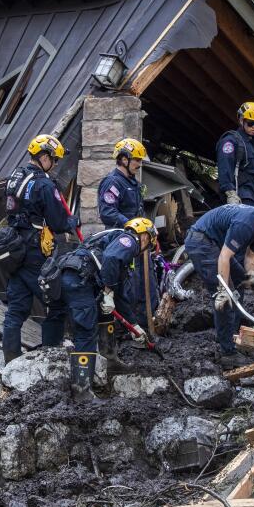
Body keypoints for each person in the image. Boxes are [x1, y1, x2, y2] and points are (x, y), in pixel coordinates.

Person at [183, 195, 254, 366]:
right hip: (201, 241)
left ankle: (235, 333)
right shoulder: (245, 224)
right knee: (226, 296)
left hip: (217, 244)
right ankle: (227, 352)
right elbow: (224, 258)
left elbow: (252, 254)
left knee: (240, 280)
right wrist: (222, 289)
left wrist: (251, 272)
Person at [56, 218, 156, 400]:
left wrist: (134, 326)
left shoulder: (115, 240)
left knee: (105, 314)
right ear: (144, 235)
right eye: (149, 242)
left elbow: (120, 295)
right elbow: (111, 259)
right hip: (78, 281)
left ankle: (111, 362)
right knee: (86, 332)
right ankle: (81, 391)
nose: (145, 248)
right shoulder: (130, 240)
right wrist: (108, 291)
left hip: (79, 278)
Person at [0, 134, 79, 364]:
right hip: (34, 250)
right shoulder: (44, 184)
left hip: (14, 247)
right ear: (44, 157)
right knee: (56, 302)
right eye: (53, 160)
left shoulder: (15, 176)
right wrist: (71, 222)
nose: (55, 165)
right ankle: (50, 357)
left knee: (16, 307)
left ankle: (11, 359)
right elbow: (57, 222)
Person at [97, 138, 159, 328]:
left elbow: (140, 212)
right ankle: (129, 329)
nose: (139, 165)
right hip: (123, 243)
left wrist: (149, 235)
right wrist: (133, 226)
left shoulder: (133, 183)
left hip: (140, 243)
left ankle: (146, 325)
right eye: (136, 160)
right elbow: (108, 213)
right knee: (130, 287)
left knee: (146, 285)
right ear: (124, 159)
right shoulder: (113, 183)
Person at [217, 102, 254, 206]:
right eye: (251, 123)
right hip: (243, 196)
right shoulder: (231, 141)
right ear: (241, 120)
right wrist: (230, 193)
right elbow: (225, 168)